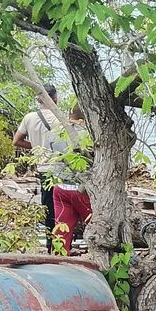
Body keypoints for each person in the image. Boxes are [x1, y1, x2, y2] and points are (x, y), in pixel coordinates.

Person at [13, 84, 61, 252]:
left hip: (43, 170)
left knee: (48, 208)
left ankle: (50, 246)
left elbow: (16, 141)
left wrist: (35, 146)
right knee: (64, 208)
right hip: (61, 169)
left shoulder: (29, 118)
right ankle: (62, 244)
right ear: (54, 99)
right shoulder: (60, 119)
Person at [49, 105, 92, 255]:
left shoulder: (55, 133)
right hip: (82, 189)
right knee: (98, 227)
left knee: (61, 229)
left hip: (59, 187)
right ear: (84, 119)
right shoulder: (87, 135)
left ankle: (59, 261)